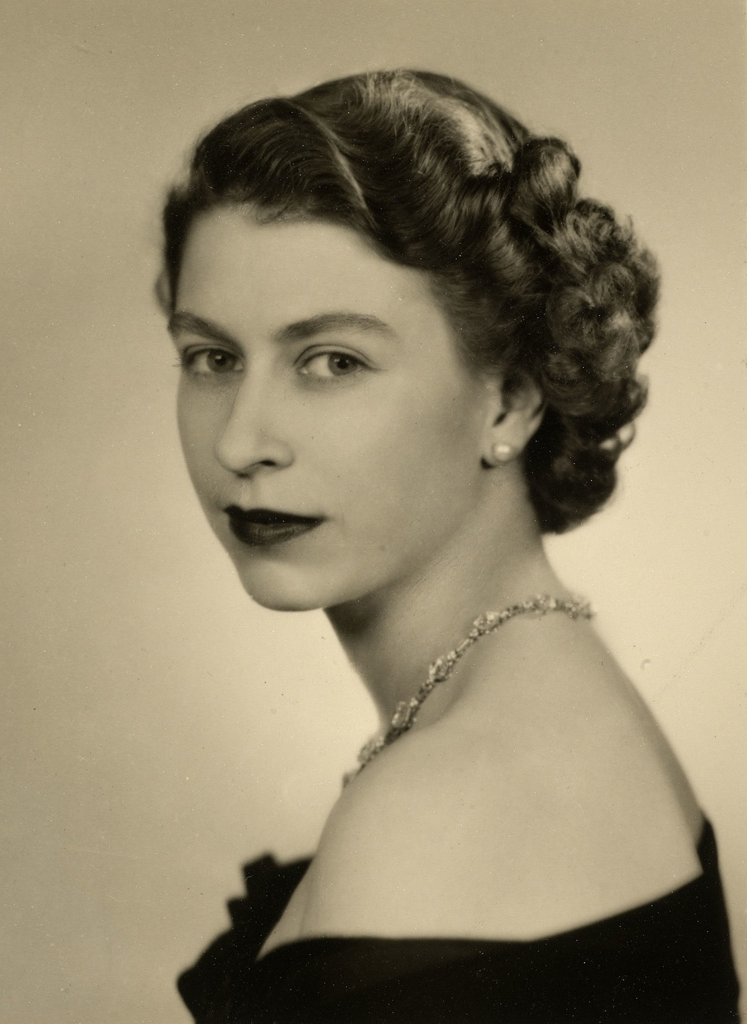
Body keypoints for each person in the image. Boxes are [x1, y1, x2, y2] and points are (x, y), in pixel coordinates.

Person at [158, 70, 740, 1023]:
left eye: (333, 361)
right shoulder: (547, 692)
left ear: (509, 399)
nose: (239, 442)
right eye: (212, 358)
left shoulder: (449, 800)